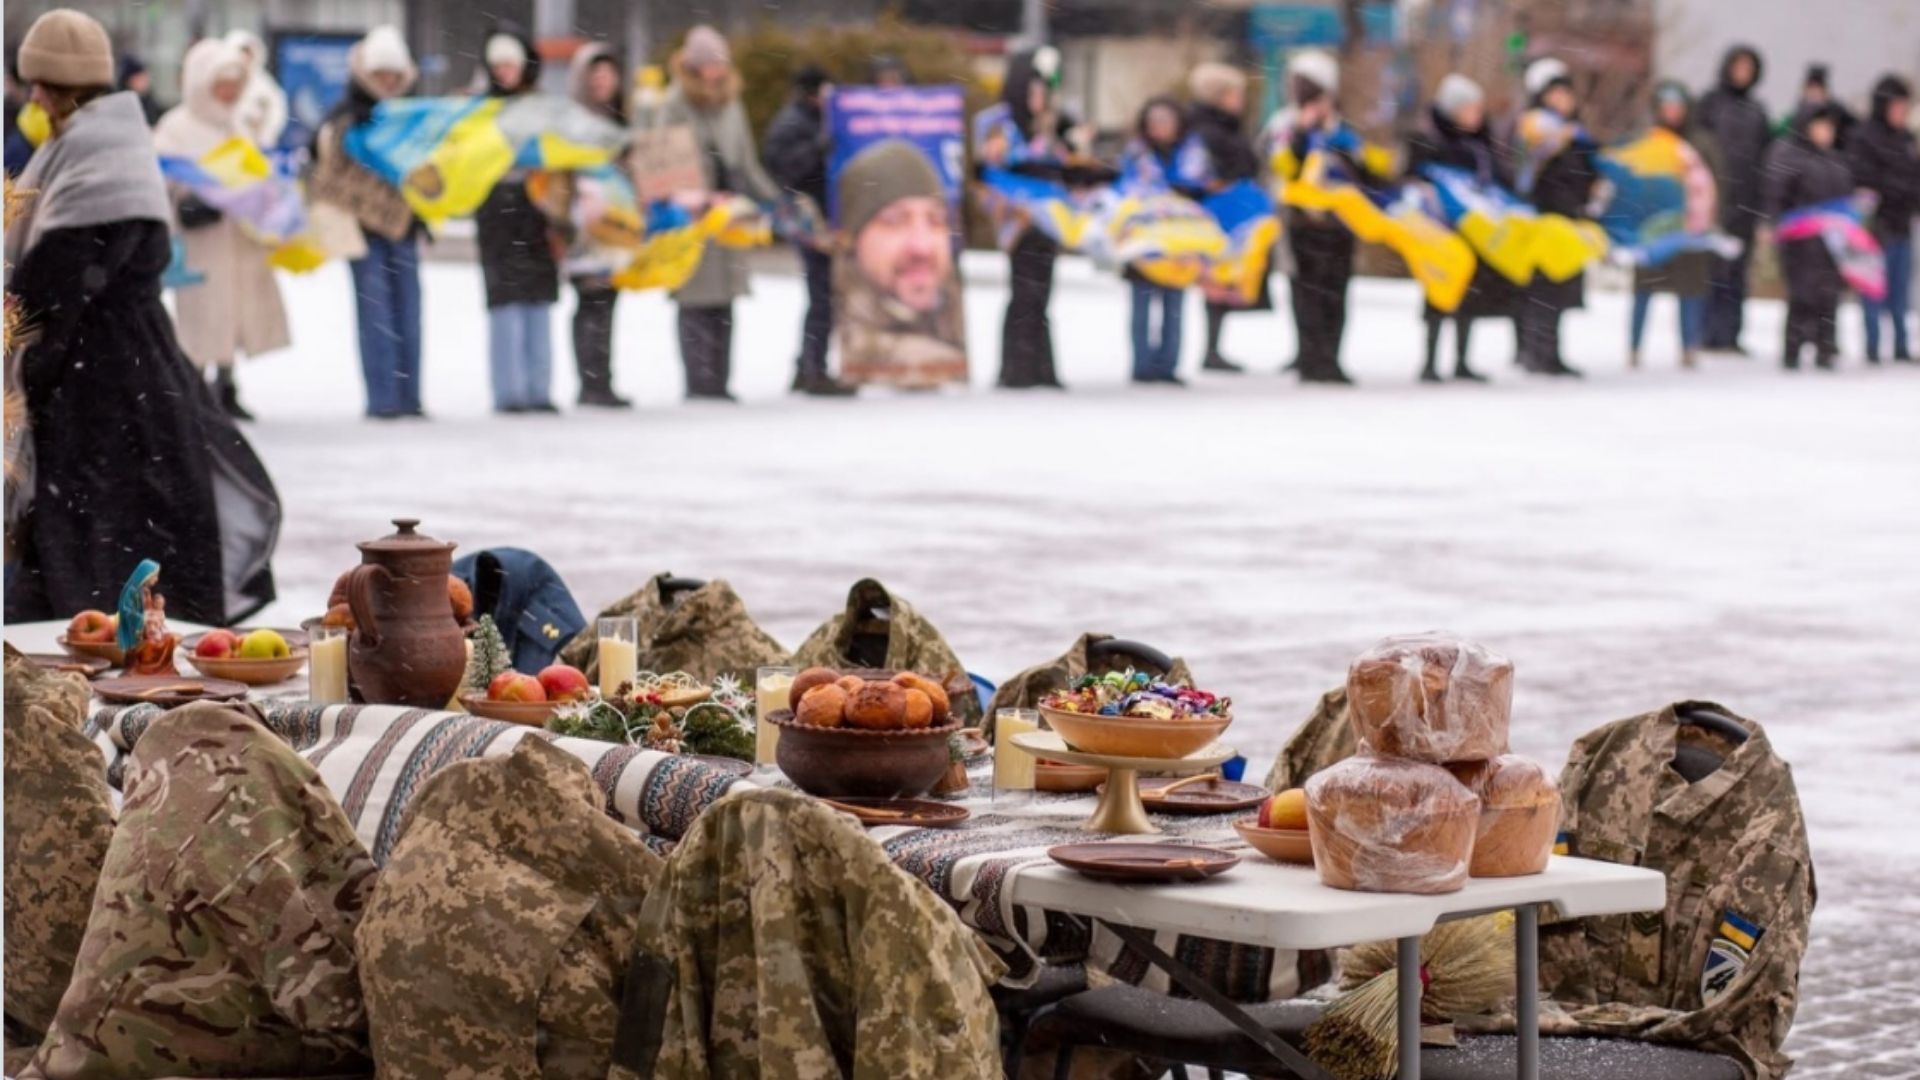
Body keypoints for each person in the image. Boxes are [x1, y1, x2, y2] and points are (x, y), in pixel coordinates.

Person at [5, 8, 278, 626]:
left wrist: (27, 371)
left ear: (54, 88)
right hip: (139, 372)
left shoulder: (92, 163)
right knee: (135, 542)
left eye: (39, 86)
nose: (34, 100)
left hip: (98, 389)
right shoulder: (111, 146)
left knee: (95, 556)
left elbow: (53, 290)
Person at [639, 26, 781, 402]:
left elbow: (746, 160)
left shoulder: (732, 103)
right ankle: (699, 381)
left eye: (721, 62)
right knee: (695, 296)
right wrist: (689, 197)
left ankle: (720, 379)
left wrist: (771, 197)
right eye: (710, 62)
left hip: (728, 211)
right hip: (692, 214)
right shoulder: (674, 103)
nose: (717, 70)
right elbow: (663, 159)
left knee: (725, 297)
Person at [154, 36, 292, 420]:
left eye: (235, 84)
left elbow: (258, 171)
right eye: (221, 84)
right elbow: (158, 179)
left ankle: (226, 384)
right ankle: (194, 388)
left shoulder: (239, 126)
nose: (228, 92)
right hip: (199, 240)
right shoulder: (176, 128)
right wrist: (186, 204)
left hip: (239, 236)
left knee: (235, 312)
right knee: (201, 318)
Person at [307, 26, 426, 419]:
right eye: (380, 74)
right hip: (361, 229)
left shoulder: (413, 116)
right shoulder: (345, 117)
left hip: (405, 226)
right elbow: (325, 169)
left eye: (394, 75)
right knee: (376, 315)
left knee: (409, 312)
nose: (387, 82)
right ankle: (384, 398)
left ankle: (410, 396)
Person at [1263, 49, 1376, 384]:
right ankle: (1308, 357)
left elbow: (1364, 174)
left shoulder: (1344, 131)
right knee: (1305, 291)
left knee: (1336, 292)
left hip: (1339, 223)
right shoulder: (1284, 126)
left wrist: (1336, 142)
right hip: (1302, 223)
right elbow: (1281, 169)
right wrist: (1303, 134)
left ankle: (1331, 358)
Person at [973, 45, 1074, 390]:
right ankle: (1015, 368)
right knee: (1022, 293)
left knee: (1044, 294)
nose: (1040, 98)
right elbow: (987, 172)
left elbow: (1064, 168)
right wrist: (1013, 206)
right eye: (1034, 91)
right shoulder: (997, 123)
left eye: (1044, 91)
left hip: (1050, 218)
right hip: (1017, 219)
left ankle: (1042, 368)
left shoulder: (1049, 125)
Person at [473, 24, 558, 414]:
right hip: (496, 213)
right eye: (499, 66)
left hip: (536, 211)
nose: (505, 72)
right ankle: (508, 390)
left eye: (511, 65)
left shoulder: (542, 108)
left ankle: (539, 388)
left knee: (538, 296)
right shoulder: (478, 110)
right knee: (504, 298)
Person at [1404, 73, 1511, 382]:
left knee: (1471, 293)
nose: (1475, 116)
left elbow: (1498, 181)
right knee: (1438, 292)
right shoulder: (1428, 139)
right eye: (1469, 109)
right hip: (1439, 228)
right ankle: (1430, 361)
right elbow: (1410, 178)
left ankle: (1462, 360)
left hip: (1475, 229)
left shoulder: (1481, 144)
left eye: (1478, 109)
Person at [834, 139, 966, 387]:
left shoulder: (949, 324)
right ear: (853, 239)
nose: (922, 247)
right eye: (894, 221)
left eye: (935, 220)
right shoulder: (864, 342)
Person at [763, 64, 856, 396]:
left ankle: (807, 366)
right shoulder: (794, 123)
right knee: (821, 295)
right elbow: (784, 168)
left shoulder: (807, 120)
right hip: (809, 218)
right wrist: (818, 148)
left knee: (822, 295)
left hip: (821, 216)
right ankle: (814, 369)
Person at [1513, 57, 1599, 378]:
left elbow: (1587, 172)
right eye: (1556, 93)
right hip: (1544, 219)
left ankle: (1551, 353)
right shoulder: (1536, 129)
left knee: (1560, 290)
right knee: (1542, 289)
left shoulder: (1577, 135)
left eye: (1566, 93)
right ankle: (1534, 352)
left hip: (1570, 219)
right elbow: (1524, 175)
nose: (1563, 100)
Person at [559, 43, 634, 408]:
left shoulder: (622, 122)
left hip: (617, 225)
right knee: (591, 301)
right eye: (595, 75)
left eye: (608, 74)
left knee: (607, 302)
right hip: (585, 227)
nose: (603, 82)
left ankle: (602, 378)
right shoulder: (571, 124)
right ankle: (590, 381)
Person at [1627, 82, 1720, 371]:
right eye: (1665, 106)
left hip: (1691, 227)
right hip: (1652, 229)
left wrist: (1708, 218)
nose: (1671, 112)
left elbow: (1716, 183)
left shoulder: (1701, 143)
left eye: (1676, 106)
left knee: (1690, 289)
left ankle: (1689, 346)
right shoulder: (1646, 141)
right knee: (1644, 289)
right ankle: (1634, 347)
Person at [1764, 103, 1854, 371]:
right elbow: (1776, 197)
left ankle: (1825, 350)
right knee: (1802, 296)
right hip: (1800, 243)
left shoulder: (1837, 162)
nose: (1825, 132)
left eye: (1829, 127)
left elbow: (1846, 201)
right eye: (1820, 126)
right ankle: (1793, 349)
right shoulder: (1790, 159)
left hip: (1831, 243)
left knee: (1829, 297)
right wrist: (1775, 225)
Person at [1184, 61, 1260, 375]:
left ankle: (1214, 347)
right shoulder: (1206, 129)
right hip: (1215, 213)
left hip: (1233, 209)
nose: (1240, 99)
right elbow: (1204, 171)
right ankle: (1210, 350)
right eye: (1234, 93)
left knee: (1224, 278)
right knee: (1214, 277)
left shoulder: (1226, 125)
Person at [1694, 45, 1769, 354]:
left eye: (1748, 68)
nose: (1742, 73)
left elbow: (1765, 158)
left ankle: (1731, 335)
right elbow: (1697, 152)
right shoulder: (1709, 104)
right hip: (1714, 201)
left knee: (1738, 272)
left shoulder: (1757, 111)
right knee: (1712, 271)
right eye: (1738, 66)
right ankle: (1705, 333)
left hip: (1746, 203)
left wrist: (1761, 206)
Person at [1117, 96, 1191, 385]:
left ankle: (1168, 364)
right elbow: (1125, 191)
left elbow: (1198, 189)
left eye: (1166, 122)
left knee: (1174, 305)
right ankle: (1142, 365)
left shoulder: (1189, 155)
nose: (1160, 128)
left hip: (1179, 242)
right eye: (1155, 122)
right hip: (1144, 242)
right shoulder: (1137, 155)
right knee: (1142, 304)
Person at [1848, 75, 1916, 362]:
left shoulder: (1907, 139)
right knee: (1873, 288)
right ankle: (1873, 346)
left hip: (1903, 224)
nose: (1902, 112)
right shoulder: (1864, 137)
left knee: (1901, 290)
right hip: (1876, 226)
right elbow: (1863, 180)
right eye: (1897, 106)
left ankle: (1901, 344)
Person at [222, 29, 286, 149]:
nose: (245, 57)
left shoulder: (264, 85)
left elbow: (276, 111)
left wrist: (265, 135)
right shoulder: (221, 78)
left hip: (254, 146)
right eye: (241, 52)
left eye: (248, 53)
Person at [1788, 64, 1856, 150]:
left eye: (1818, 90)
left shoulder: (1840, 115)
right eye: (1812, 90)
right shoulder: (1793, 118)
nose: (1815, 95)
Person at [117, 54, 161, 125]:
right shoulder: (122, 104)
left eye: (145, 76)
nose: (145, 81)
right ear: (129, 81)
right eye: (139, 78)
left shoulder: (150, 101)